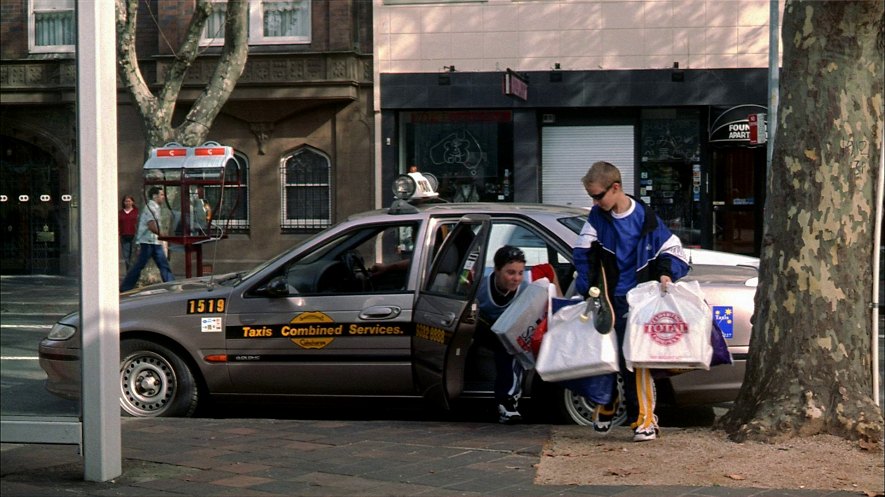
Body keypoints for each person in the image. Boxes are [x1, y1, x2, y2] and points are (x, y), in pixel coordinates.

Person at [573, 161, 689, 442]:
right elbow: (582, 254)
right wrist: (587, 288)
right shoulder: (598, 218)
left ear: (615, 188)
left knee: (638, 362)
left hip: (640, 302)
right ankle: (609, 403)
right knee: (608, 358)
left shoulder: (647, 220)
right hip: (610, 302)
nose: (595, 202)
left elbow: (675, 252)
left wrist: (665, 274)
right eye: (592, 197)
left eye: (598, 196)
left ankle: (646, 419)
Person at [475, 245, 530, 424]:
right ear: (497, 270)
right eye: (510, 272)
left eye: (520, 273)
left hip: (511, 333)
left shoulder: (527, 288)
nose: (516, 278)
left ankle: (507, 402)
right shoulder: (480, 286)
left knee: (510, 347)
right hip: (482, 329)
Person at [120, 187, 175, 291]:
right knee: (141, 265)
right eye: (161, 195)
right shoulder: (151, 207)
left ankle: (170, 283)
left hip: (154, 241)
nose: (163, 197)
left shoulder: (156, 207)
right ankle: (126, 286)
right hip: (148, 241)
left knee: (162, 264)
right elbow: (151, 225)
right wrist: (161, 234)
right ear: (155, 196)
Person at [118, 195, 138, 270]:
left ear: (132, 202)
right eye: (126, 201)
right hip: (124, 236)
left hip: (134, 235)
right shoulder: (120, 213)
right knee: (126, 256)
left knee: (133, 255)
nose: (128, 203)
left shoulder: (136, 211)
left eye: (129, 201)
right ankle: (128, 271)